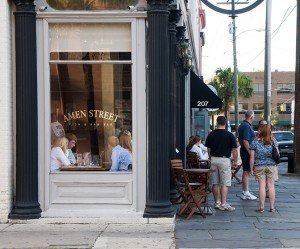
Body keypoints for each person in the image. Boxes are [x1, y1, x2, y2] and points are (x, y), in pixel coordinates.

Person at [205, 116, 238, 211]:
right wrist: (235, 161)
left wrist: (210, 157)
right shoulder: (230, 135)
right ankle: (223, 204)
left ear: (217, 122)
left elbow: (208, 149)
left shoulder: (211, 134)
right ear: (225, 124)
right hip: (224, 160)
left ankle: (217, 203)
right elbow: (235, 151)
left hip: (214, 159)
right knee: (224, 183)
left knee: (215, 183)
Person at [249, 125, 279, 213]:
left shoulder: (255, 142)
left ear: (260, 132)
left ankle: (261, 207)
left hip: (259, 166)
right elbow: (278, 155)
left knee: (261, 186)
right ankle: (272, 207)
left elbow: (252, 157)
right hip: (272, 166)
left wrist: (251, 168)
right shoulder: (273, 141)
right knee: (271, 186)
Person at [238, 110, 257, 200]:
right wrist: (251, 152)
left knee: (246, 172)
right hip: (247, 152)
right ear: (251, 117)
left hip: (244, 151)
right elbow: (245, 141)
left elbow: (239, 139)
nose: (254, 117)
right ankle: (245, 192)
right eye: (254, 116)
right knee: (246, 172)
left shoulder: (243, 125)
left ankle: (245, 191)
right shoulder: (246, 126)